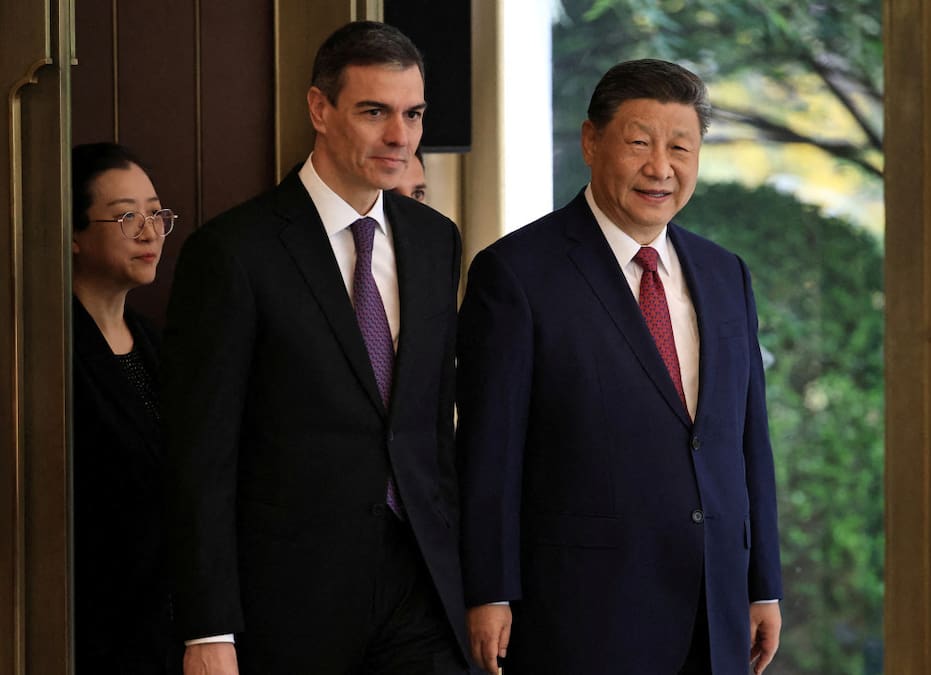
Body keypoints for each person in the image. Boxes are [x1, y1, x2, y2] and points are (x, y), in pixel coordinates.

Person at [456, 58, 784, 675]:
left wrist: (762, 581)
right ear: (590, 141)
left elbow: (748, 441)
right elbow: (489, 451)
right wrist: (489, 590)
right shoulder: (518, 273)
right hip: (584, 611)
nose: (660, 167)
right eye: (639, 143)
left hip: (715, 609)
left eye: (681, 147)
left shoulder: (724, 274)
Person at [162, 21, 469, 674]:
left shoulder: (436, 239)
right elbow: (200, 457)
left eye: (412, 113)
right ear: (320, 109)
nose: (399, 135)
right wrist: (208, 626)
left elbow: (432, 427)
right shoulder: (233, 253)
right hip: (288, 602)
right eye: (374, 111)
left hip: (422, 589)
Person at [71, 141, 182, 674]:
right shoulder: (46, 352)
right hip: (91, 626)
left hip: (163, 622)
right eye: (125, 217)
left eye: (156, 212)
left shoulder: (154, 343)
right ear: (72, 234)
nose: (150, 230)